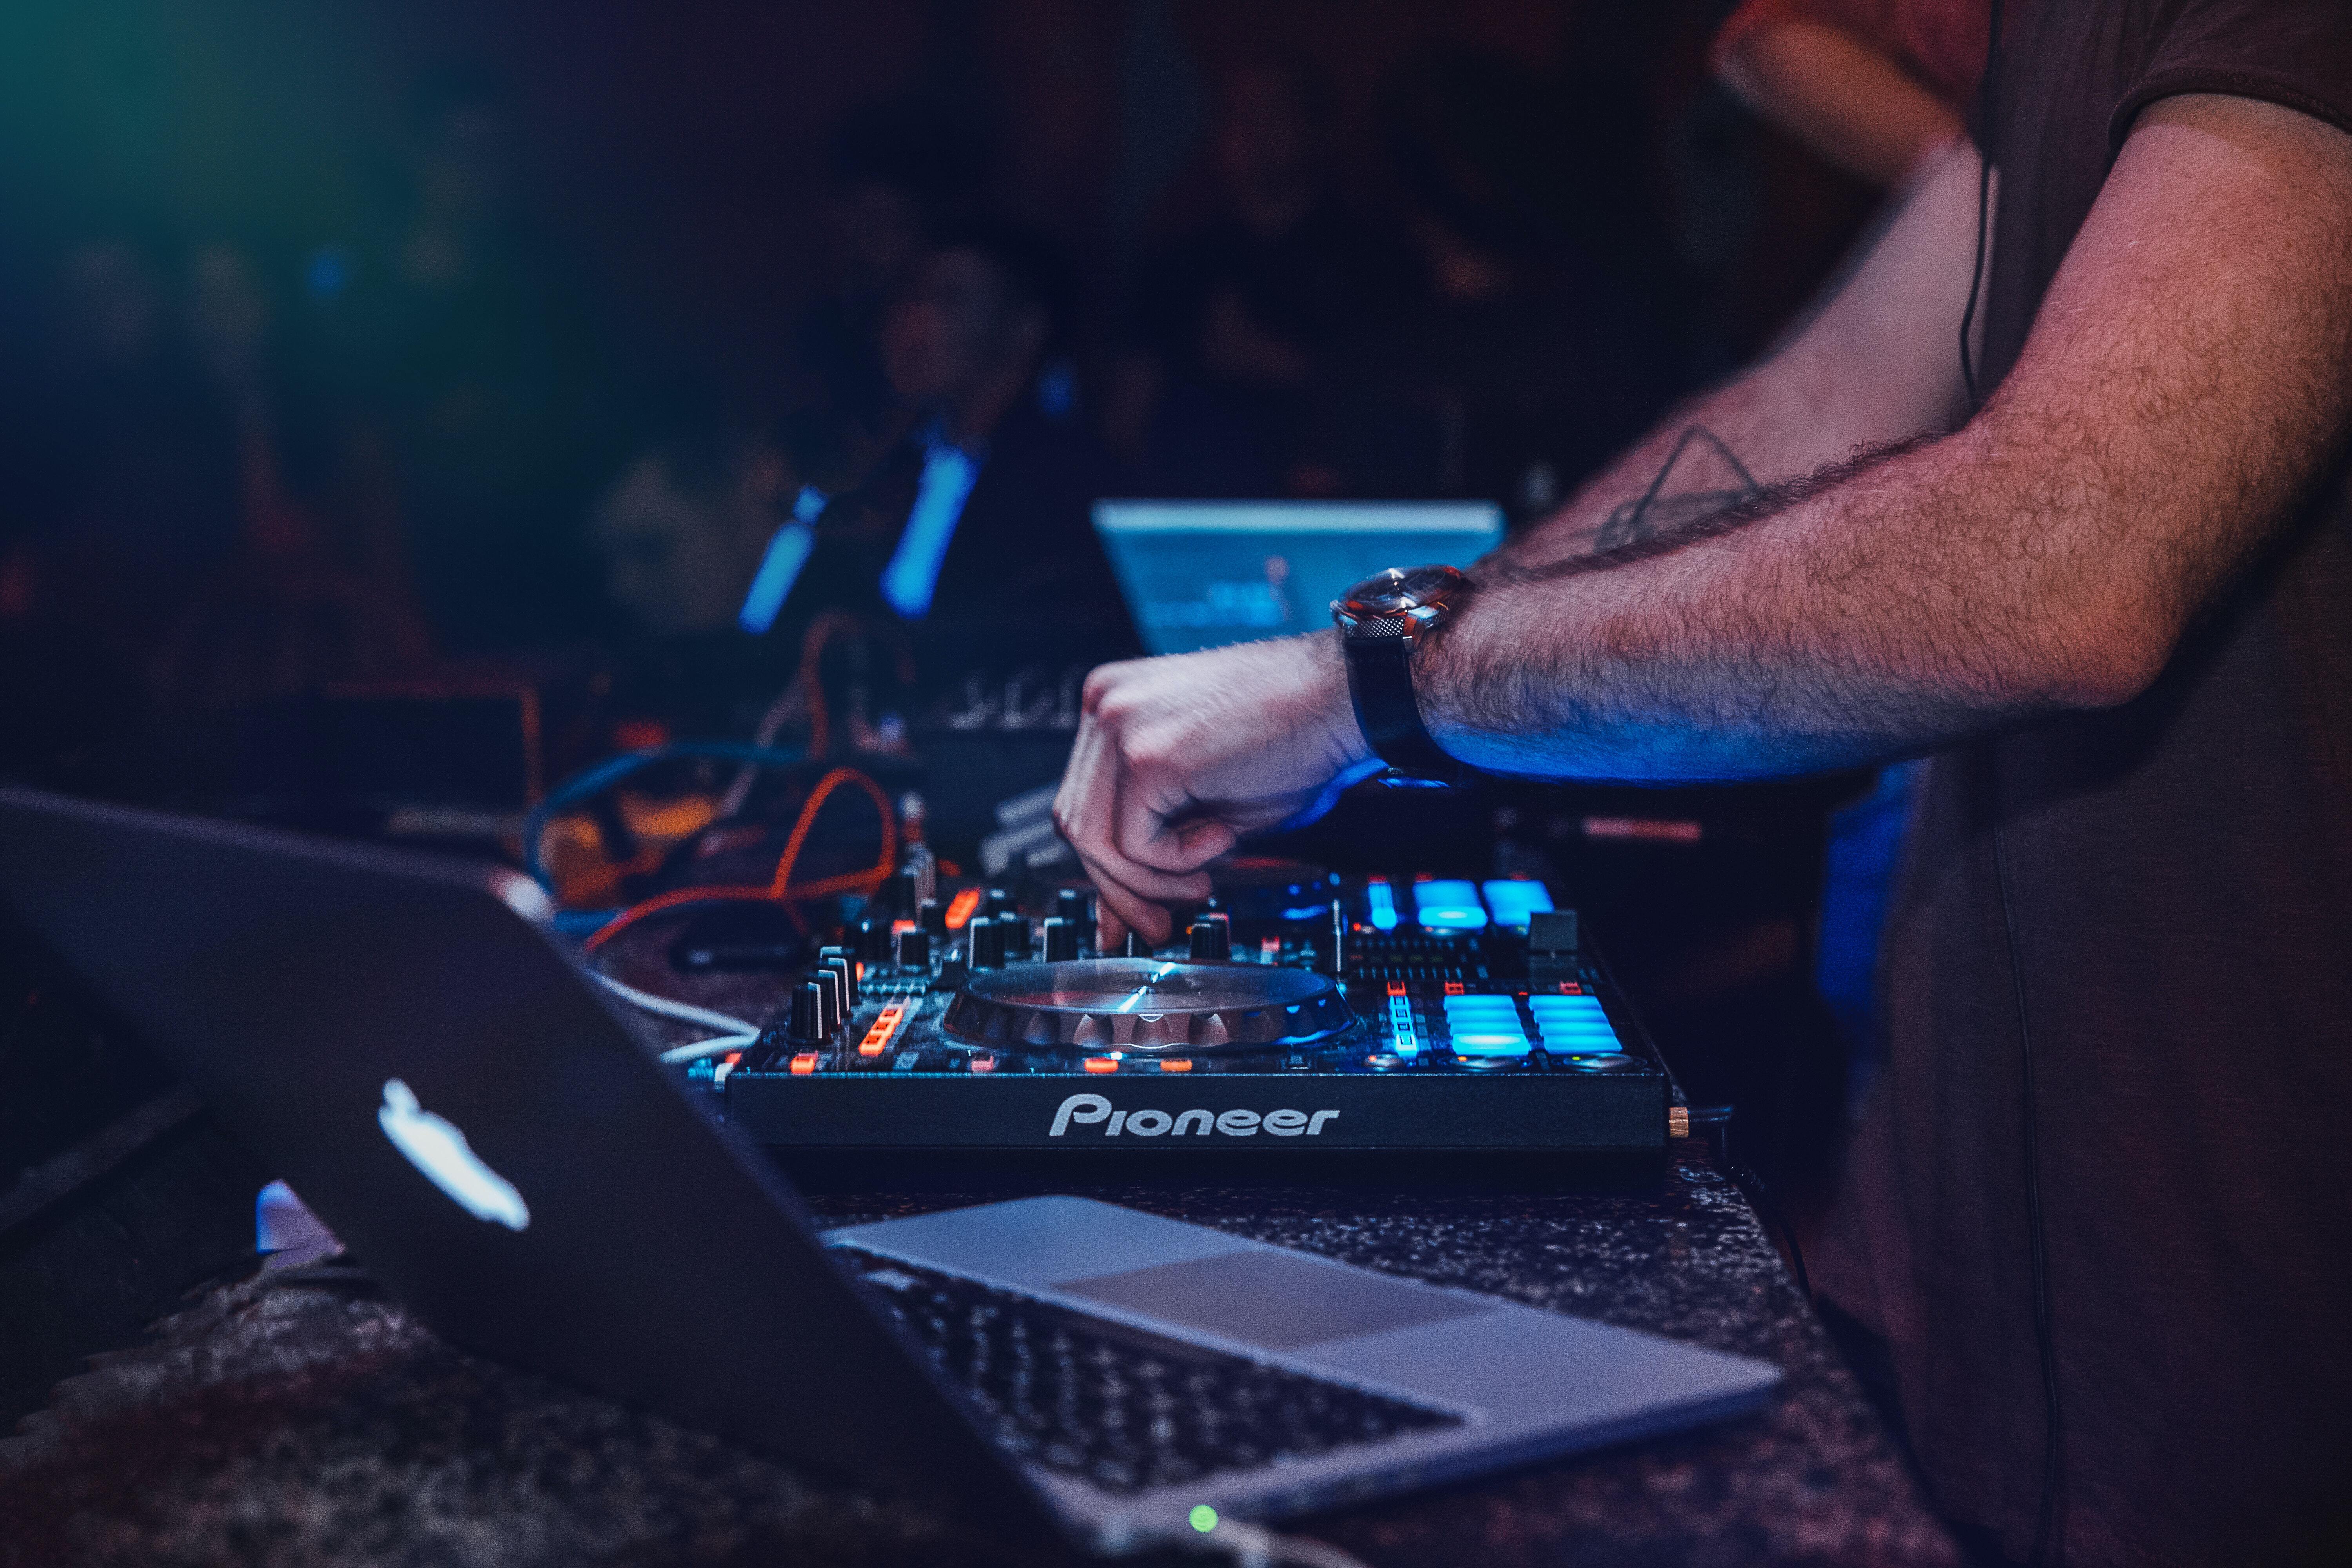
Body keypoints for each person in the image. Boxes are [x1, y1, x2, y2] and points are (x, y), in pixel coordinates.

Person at [1052, 3, 2352, 1561]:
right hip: (1974, 1264)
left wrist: (1368, 694)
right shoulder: (2053, 43)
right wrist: (1375, 684)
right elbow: (1814, 410)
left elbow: (2066, 560)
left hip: (2246, 1327)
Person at [760, 220, 1137, 675]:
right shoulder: (902, 464)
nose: (916, 323)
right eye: (912, 296)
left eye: (951, 300)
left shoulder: (1065, 482)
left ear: (1025, 328)